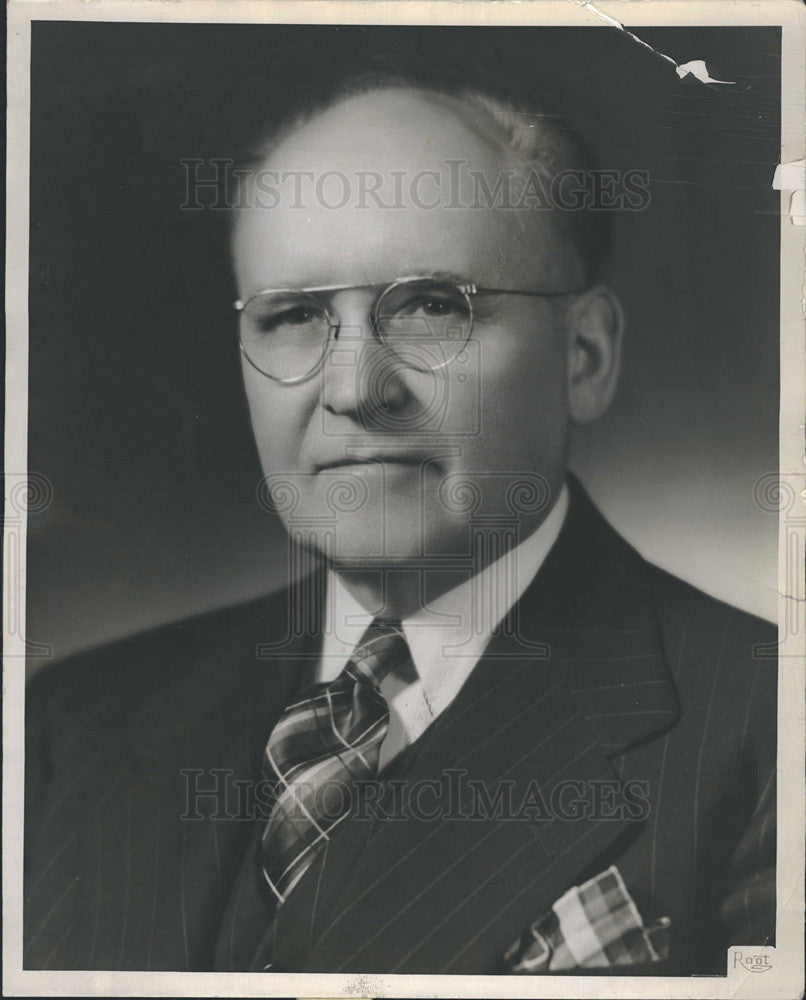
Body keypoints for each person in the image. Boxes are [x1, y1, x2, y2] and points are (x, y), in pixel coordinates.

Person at [24, 73, 776, 975]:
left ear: (586, 354)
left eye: (431, 307)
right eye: (295, 316)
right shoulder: (68, 730)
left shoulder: (771, 739)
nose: (352, 389)